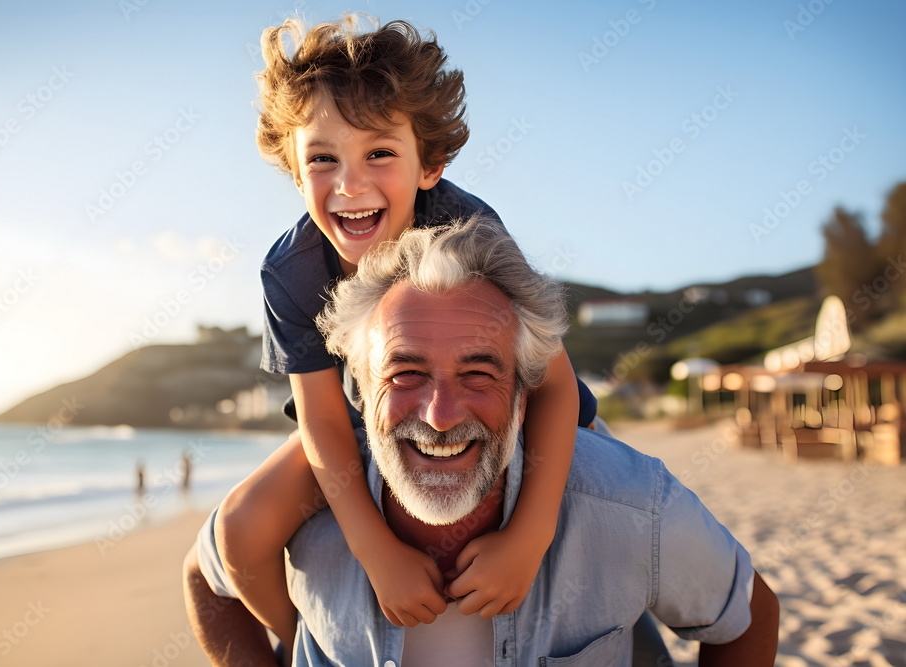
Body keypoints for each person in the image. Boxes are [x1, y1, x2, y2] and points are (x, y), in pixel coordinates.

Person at [186, 218, 779, 665]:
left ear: (524, 396)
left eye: (478, 374)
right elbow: (207, 579)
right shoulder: (306, 514)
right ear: (360, 397)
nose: (441, 416)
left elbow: (746, 618)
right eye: (406, 374)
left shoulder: (630, 505)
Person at [217, 15, 597, 655]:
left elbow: (557, 390)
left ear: (431, 163)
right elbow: (322, 422)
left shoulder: (467, 229)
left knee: (598, 516)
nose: (350, 184)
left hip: (501, 412)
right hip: (377, 420)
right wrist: (377, 555)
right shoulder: (291, 271)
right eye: (322, 158)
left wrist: (526, 538)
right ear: (293, 166)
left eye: (380, 153)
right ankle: (300, 643)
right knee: (241, 530)